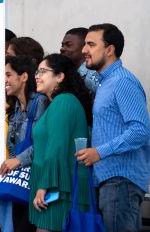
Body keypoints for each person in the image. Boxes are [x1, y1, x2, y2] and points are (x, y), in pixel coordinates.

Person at [77, 23, 150, 232]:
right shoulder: (105, 83)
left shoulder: (122, 82)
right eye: (84, 45)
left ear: (110, 50)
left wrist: (100, 152)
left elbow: (141, 130)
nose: (84, 50)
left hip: (121, 181)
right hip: (111, 182)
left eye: (91, 44)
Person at [29, 54, 93, 231]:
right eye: (36, 71)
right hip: (56, 187)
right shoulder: (59, 102)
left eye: (43, 71)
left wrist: (44, 186)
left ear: (60, 76)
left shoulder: (63, 101)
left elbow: (56, 147)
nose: (37, 76)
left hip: (58, 189)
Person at [2, 56, 47, 231]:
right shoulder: (15, 107)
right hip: (20, 181)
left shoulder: (40, 102)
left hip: (36, 181)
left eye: (8, 75)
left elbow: (44, 143)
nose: (4, 80)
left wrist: (18, 160)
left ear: (24, 77)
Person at [60, 27, 99, 92]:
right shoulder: (70, 72)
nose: (62, 49)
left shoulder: (92, 75)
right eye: (62, 45)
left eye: (68, 45)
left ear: (85, 48)